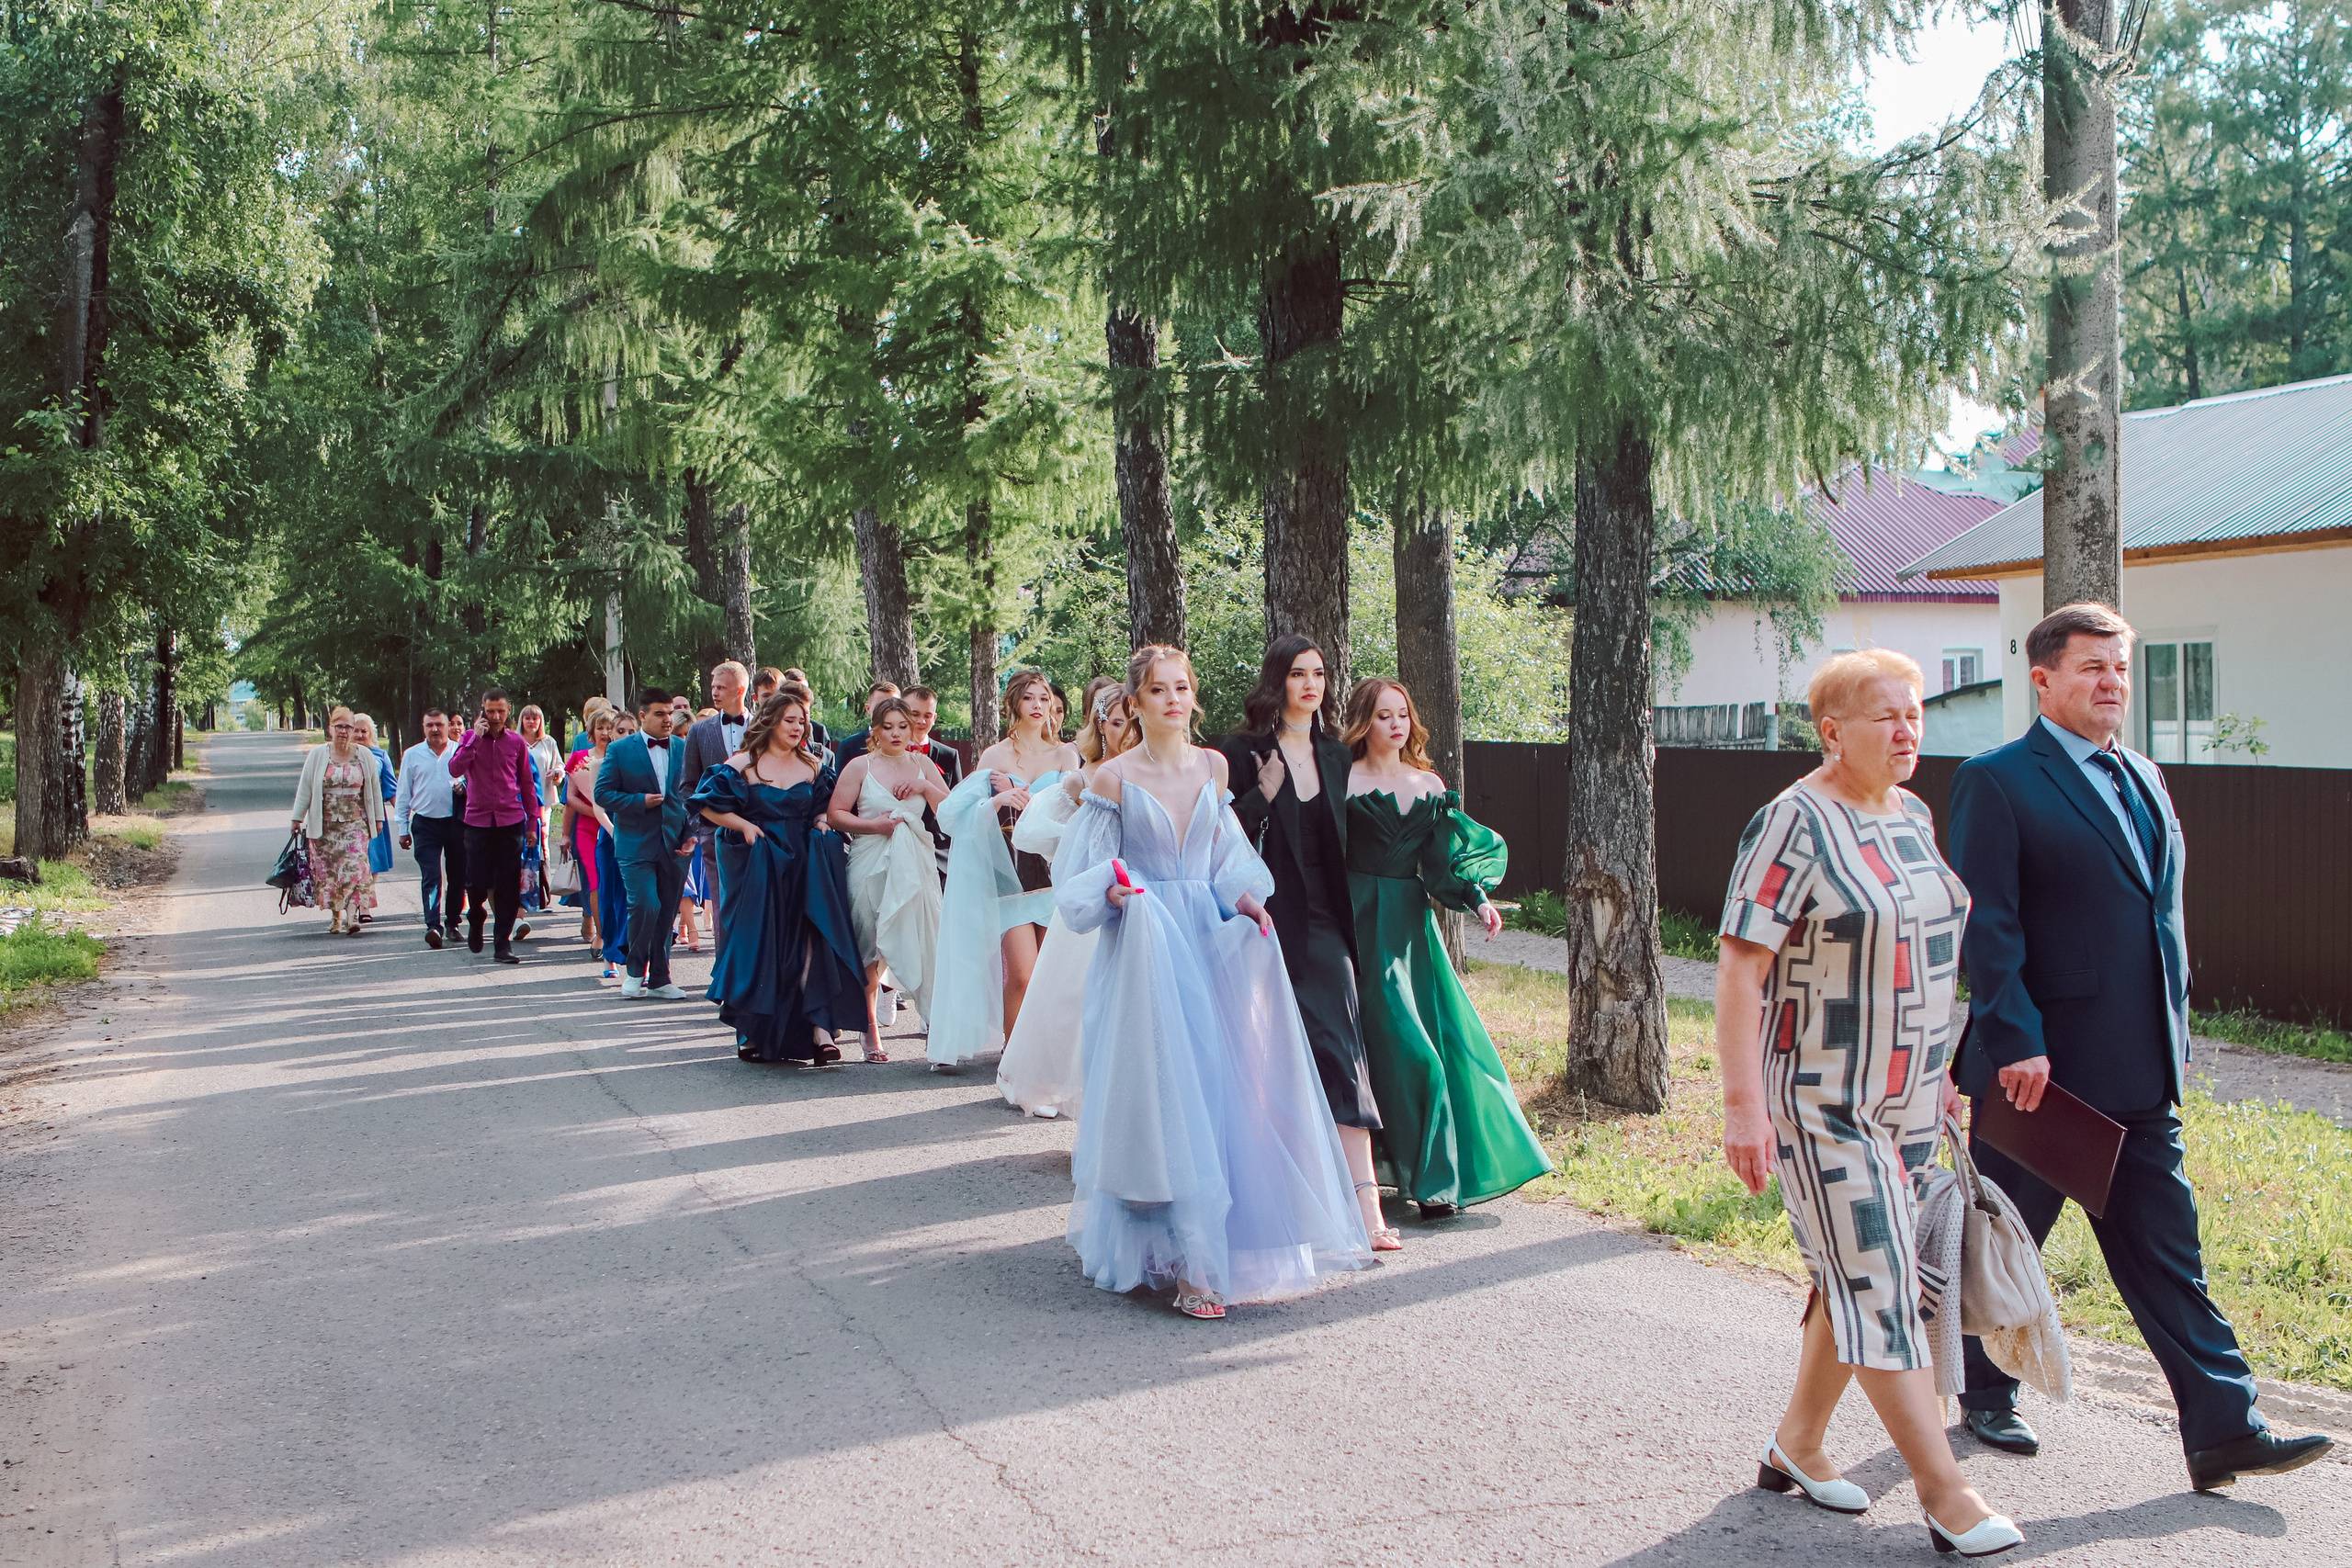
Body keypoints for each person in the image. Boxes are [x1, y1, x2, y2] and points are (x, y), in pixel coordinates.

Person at [1950, 604, 2332, 1492]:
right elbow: (1990, 926)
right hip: (2041, 1075)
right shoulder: (1998, 780)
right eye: (2092, 668)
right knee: (2009, 1238)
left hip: (2141, 1069)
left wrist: (2175, 1035)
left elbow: (2160, 922)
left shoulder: (2145, 777)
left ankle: (2224, 1428)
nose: (2112, 682)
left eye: (2119, 667)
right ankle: (1983, 1387)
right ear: (2043, 679)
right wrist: (2014, 1039)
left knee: (2169, 1252)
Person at [1717, 649, 2018, 1557]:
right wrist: (1742, 1108)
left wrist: (1944, 1080)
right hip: (1821, 1102)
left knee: (1853, 1275)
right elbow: (1739, 969)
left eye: (1915, 713)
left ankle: (1797, 1445)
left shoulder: (1914, 814)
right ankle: (1946, 1494)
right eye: (1884, 716)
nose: (1906, 731)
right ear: (1831, 730)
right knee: (1881, 1282)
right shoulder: (1791, 822)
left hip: (1911, 1103)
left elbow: (1925, 953)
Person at [1054, 645, 1370, 1319]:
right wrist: (1111, 891)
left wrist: (1250, 898)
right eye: (1159, 689)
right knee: (1164, 1092)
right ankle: (1182, 1258)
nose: (1174, 699)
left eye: (1182, 687)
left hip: (1205, 937)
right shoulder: (1111, 779)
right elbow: (1083, 874)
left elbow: (1228, 852)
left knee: (1220, 1090)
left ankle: (1210, 1251)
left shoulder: (1214, 766)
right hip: (1143, 944)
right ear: (1133, 703)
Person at [1342, 679, 1549, 1246]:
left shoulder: (1428, 785)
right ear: (1364, 720)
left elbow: (1443, 863)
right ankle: (1369, 1170)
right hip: (1354, 921)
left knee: (1432, 1046)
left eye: (1402, 714)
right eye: (1383, 715)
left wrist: (1479, 900)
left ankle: (1434, 1180)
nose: (1395, 724)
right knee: (1385, 1045)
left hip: (1410, 928)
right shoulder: (1342, 779)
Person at [1216, 637, 1385, 1245]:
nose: (1311, 684)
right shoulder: (1240, 751)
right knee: (1265, 1060)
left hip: (1327, 921)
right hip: (1260, 916)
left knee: (1342, 1049)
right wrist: (1261, 792)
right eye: (1297, 673)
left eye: (1319, 672)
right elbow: (1217, 834)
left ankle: (1367, 1207)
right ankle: (1279, 1205)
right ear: (1276, 682)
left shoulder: (1339, 756)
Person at [692, 691, 867, 1066]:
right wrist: (744, 825)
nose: (798, 727)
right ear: (770, 720)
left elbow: (827, 808)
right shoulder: (743, 764)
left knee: (810, 938)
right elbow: (706, 803)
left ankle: (820, 1030)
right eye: (790, 720)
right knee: (761, 942)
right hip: (759, 864)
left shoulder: (814, 765)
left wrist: (822, 822)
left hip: (805, 862)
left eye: (801, 721)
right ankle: (751, 1031)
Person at [931, 670, 1080, 1069]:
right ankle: (1014, 1060)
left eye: (1044, 699)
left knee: (1053, 976)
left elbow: (1078, 812)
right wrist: (997, 802)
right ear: (1014, 703)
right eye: (1029, 698)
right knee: (1022, 975)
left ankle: (1048, 1058)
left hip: (1053, 875)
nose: (1038, 706)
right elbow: (951, 815)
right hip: (1010, 876)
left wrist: (1041, 804)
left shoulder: (1066, 755)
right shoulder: (995, 756)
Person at [997, 677, 1130, 1120]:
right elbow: (1033, 831)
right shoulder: (1080, 779)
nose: (1124, 730)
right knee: (1073, 997)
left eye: (1130, 722)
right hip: (1091, 899)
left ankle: (1114, 1098)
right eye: (1114, 723)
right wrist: (1076, 841)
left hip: (1140, 896)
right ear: (1101, 726)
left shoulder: (1150, 773)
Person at [828, 695, 949, 1055]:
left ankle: (937, 1025)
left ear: (912, 728)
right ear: (875, 730)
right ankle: (868, 1026)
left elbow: (950, 812)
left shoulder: (923, 763)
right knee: (871, 943)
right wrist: (874, 826)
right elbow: (835, 814)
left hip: (915, 863)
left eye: (902, 726)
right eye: (888, 726)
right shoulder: (859, 766)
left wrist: (926, 787)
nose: (896, 733)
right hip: (870, 863)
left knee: (924, 940)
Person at [595, 687, 697, 998]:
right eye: (660, 714)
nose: (668, 719)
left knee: (666, 911)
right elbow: (602, 794)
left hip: (676, 844)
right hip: (635, 843)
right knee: (645, 904)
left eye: (670, 713)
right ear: (642, 716)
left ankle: (661, 979)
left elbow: (694, 796)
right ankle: (635, 971)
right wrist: (638, 801)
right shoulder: (621, 750)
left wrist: (691, 834)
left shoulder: (683, 747)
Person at [447, 690, 542, 964]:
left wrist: (532, 823)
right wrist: (474, 740)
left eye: (501, 711)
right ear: (482, 710)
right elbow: (455, 770)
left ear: (508, 710)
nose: (496, 716)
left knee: (508, 883)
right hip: (477, 820)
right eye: (491, 711)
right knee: (477, 880)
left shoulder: (516, 743)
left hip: (510, 820)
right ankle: (476, 916)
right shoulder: (469, 739)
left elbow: (527, 784)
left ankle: (502, 943)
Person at [289, 707, 386, 937]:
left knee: (355, 868)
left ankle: (352, 917)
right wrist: (297, 817)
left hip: (356, 823)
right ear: (330, 728)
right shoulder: (318, 755)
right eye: (339, 726)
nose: (344, 731)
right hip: (325, 825)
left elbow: (374, 789)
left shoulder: (364, 755)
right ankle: (336, 916)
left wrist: (379, 818)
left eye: (348, 727)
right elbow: (305, 788)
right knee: (330, 873)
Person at [679, 662, 753, 949]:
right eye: (713, 687)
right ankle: (727, 977)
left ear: (740, 690)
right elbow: (688, 785)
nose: (715, 693)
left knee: (759, 905)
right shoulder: (700, 731)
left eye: (721, 687)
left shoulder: (764, 726)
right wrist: (703, 826)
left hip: (760, 830)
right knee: (723, 905)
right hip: (716, 833)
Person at [395, 708, 466, 947]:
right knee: (432, 875)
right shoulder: (412, 755)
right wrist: (403, 827)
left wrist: (462, 788)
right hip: (425, 823)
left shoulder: (460, 752)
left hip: (456, 821)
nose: (435, 729)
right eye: (430, 725)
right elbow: (404, 792)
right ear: (423, 728)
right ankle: (433, 926)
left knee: (457, 875)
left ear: (448, 726)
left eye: (439, 724)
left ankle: (453, 923)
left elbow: (472, 784)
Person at [562, 708, 622, 973]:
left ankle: (617, 936)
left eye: (611, 728)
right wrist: (595, 811)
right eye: (600, 728)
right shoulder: (579, 759)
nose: (606, 733)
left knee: (617, 881)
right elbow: (570, 798)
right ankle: (602, 932)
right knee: (596, 881)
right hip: (587, 827)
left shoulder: (622, 757)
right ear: (592, 732)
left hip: (619, 825)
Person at [352, 714, 398, 922]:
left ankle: (364, 905)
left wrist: (405, 817)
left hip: (374, 817)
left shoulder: (380, 755)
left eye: (364, 731)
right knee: (352, 861)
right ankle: (357, 904)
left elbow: (391, 788)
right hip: (348, 817)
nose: (360, 735)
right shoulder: (342, 756)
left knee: (372, 861)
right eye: (356, 730)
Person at [831, 681, 904, 767]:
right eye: (880, 706)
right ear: (868, 708)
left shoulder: (907, 743)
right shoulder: (848, 746)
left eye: (894, 706)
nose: (887, 710)